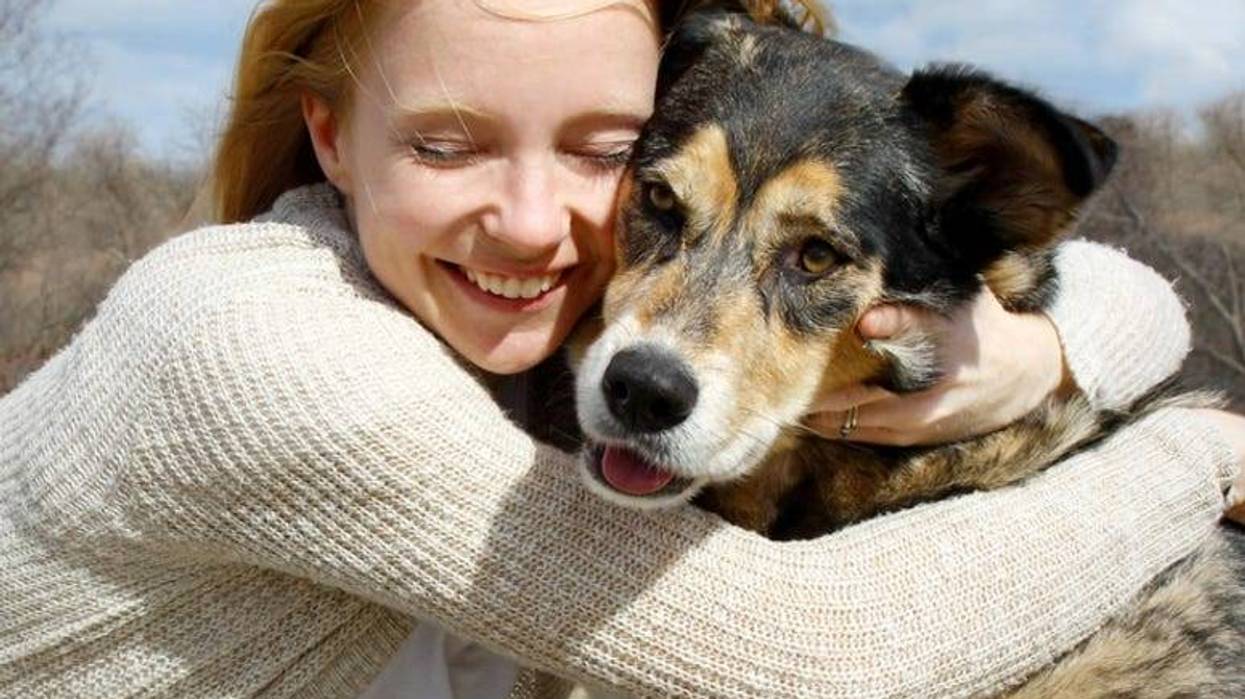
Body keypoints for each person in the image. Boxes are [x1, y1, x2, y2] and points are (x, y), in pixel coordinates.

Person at [2, 1, 1243, 697]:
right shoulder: (258, 349)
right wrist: (1196, 458)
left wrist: (1048, 353)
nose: (530, 221)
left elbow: (1109, 280)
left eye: (601, 154)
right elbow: (821, 653)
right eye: (445, 145)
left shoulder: (507, 319)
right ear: (329, 136)